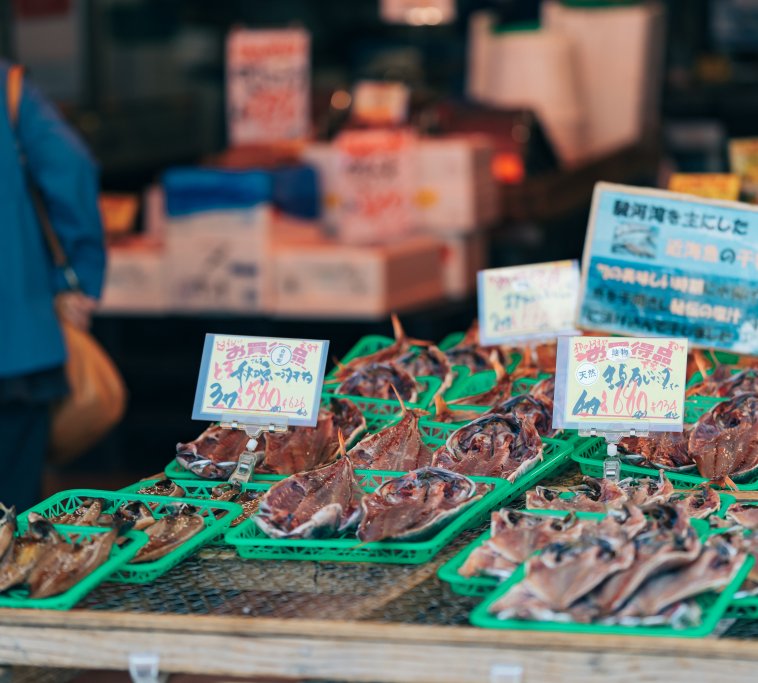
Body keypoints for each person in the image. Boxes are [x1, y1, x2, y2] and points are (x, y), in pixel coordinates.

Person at [0, 62, 105, 512]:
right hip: (16, 344)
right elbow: (71, 166)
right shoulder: (8, 88)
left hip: (20, 344)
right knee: (12, 520)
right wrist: (75, 277)